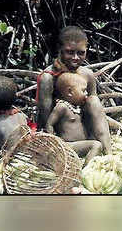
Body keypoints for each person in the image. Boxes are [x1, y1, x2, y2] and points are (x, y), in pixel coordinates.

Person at [36, 26, 111, 155]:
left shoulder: (87, 74)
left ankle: (108, 154)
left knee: (93, 100)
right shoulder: (48, 78)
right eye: (70, 52)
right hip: (63, 139)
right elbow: (45, 120)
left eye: (81, 53)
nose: (76, 58)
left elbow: (96, 112)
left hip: (87, 136)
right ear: (60, 50)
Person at [46, 72, 102, 165]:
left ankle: (84, 165)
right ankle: (85, 171)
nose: (87, 93)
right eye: (83, 91)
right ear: (70, 92)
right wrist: (55, 144)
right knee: (96, 145)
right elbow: (49, 124)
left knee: (97, 143)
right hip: (68, 145)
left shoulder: (78, 107)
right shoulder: (62, 107)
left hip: (79, 144)